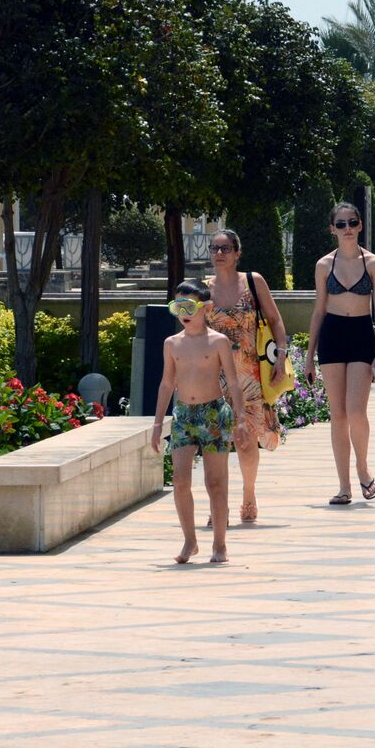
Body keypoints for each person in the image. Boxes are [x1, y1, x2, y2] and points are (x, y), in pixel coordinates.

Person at [151, 281, 245, 565]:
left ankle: (219, 543)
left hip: (214, 413)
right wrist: (158, 425)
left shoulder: (217, 342)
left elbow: (233, 381)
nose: (183, 313)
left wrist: (240, 419)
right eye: (178, 307)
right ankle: (190, 540)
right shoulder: (172, 343)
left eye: (189, 307)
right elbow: (167, 384)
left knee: (215, 482)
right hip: (184, 415)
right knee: (180, 480)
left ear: (206, 308)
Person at [305, 202, 375, 506]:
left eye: (352, 222)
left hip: (361, 334)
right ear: (332, 229)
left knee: (356, 411)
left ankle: (363, 468)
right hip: (332, 334)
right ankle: (344, 486)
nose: (347, 228)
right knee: (337, 414)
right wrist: (308, 354)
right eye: (341, 224)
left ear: (360, 225)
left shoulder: (373, 264)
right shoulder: (324, 265)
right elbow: (317, 311)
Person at [205, 229, 287, 524]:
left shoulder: (253, 282)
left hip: (249, 373)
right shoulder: (202, 290)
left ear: (237, 253)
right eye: (214, 248)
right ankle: (219, 505)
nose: (219, 254)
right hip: (213, 375)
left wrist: (281, 355)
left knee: (245, 439)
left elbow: (276, 321)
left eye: (225, 249)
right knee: (215, 443)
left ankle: (249, 493)